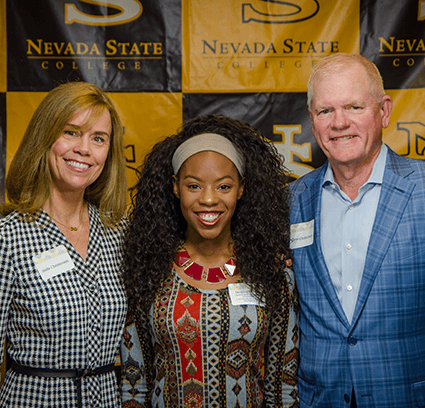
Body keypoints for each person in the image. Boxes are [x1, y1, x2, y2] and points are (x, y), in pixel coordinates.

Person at [120, 114, 299, 408]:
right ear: (175, 187)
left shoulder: (273, 274)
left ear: (241, 189)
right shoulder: (148, 271)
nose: (208, 199)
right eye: (194, 186)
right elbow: (135, 384)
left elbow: (283, 389)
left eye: (223, 187)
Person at [289, 53, 425, 408]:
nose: (339, 123)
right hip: (320, 398)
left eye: (353, 107)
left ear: (384, 111)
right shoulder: (291, 201)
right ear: (313, 120)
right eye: (325, 111)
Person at [0, 81, 128, 407]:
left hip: (106, 398)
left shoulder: (120, 232)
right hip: (34, 399)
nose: (84, 149)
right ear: (45, 138)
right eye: (71, 132)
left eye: (98, 138)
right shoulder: (8, 237)